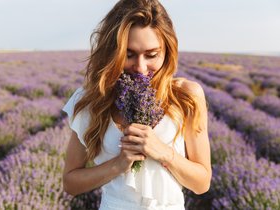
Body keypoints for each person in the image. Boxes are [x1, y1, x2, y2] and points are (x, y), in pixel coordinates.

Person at [62, 0, 212, 209]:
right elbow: (70, 183)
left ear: (167, 51)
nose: (141, 67)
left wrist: (163, 152)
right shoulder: (91, 100)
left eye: (151, 55)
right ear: (112, 51)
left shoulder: (186, 96)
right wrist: (118, 164)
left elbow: (202, 183)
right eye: (129, 54)